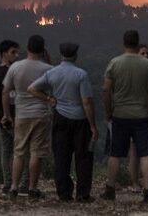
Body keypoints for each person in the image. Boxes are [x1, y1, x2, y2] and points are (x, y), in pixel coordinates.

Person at [28, 43, 97, 203]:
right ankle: (82, 194)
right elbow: (86, 101)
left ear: (62, 55)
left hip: (60, 118)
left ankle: (64, 193)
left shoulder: (52, 73)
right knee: (83, 158)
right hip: (80, 120)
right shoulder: (81, 74)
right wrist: (93, 125)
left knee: (61, 157)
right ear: (75, 56)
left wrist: (49, 99)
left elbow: (31, 88)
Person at [101, 30, 148, 202]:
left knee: (115, 153)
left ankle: (110, 189)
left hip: (120, 115)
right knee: (145, 153)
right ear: (137, 43)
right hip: (142, 115)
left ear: (124, 43)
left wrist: (108, 111)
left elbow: (106, 90)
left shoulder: (114, 63)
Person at [2, 35, 53, 200]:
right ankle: (32, 188)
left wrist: (7, 114)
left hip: (22, 114)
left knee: (19, 153)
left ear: (27, 48)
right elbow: (52, 90)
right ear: (43, 49)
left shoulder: (16, 67)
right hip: (41, 115)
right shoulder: (47, 69)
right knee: (36, 153)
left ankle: (14, 188)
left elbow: (5, 91)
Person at [0, 39, 28, 196]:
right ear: (4, 54)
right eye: (13, 52)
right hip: (10, 117)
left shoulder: (0, 71)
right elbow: (6, 94)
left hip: (3, 116)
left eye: (17, 52)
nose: (16, 55)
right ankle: (23, 184)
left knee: (7, 150)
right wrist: (8, 116)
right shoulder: (4, 72)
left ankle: (8, 184)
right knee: (22, 150)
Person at [126, 43, 148, 193]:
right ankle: (134, 182)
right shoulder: (132, 75)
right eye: (142, 54)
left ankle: (147, 182)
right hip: (136, 116)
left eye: (147, 53)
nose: (146, 56)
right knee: (135, 151)